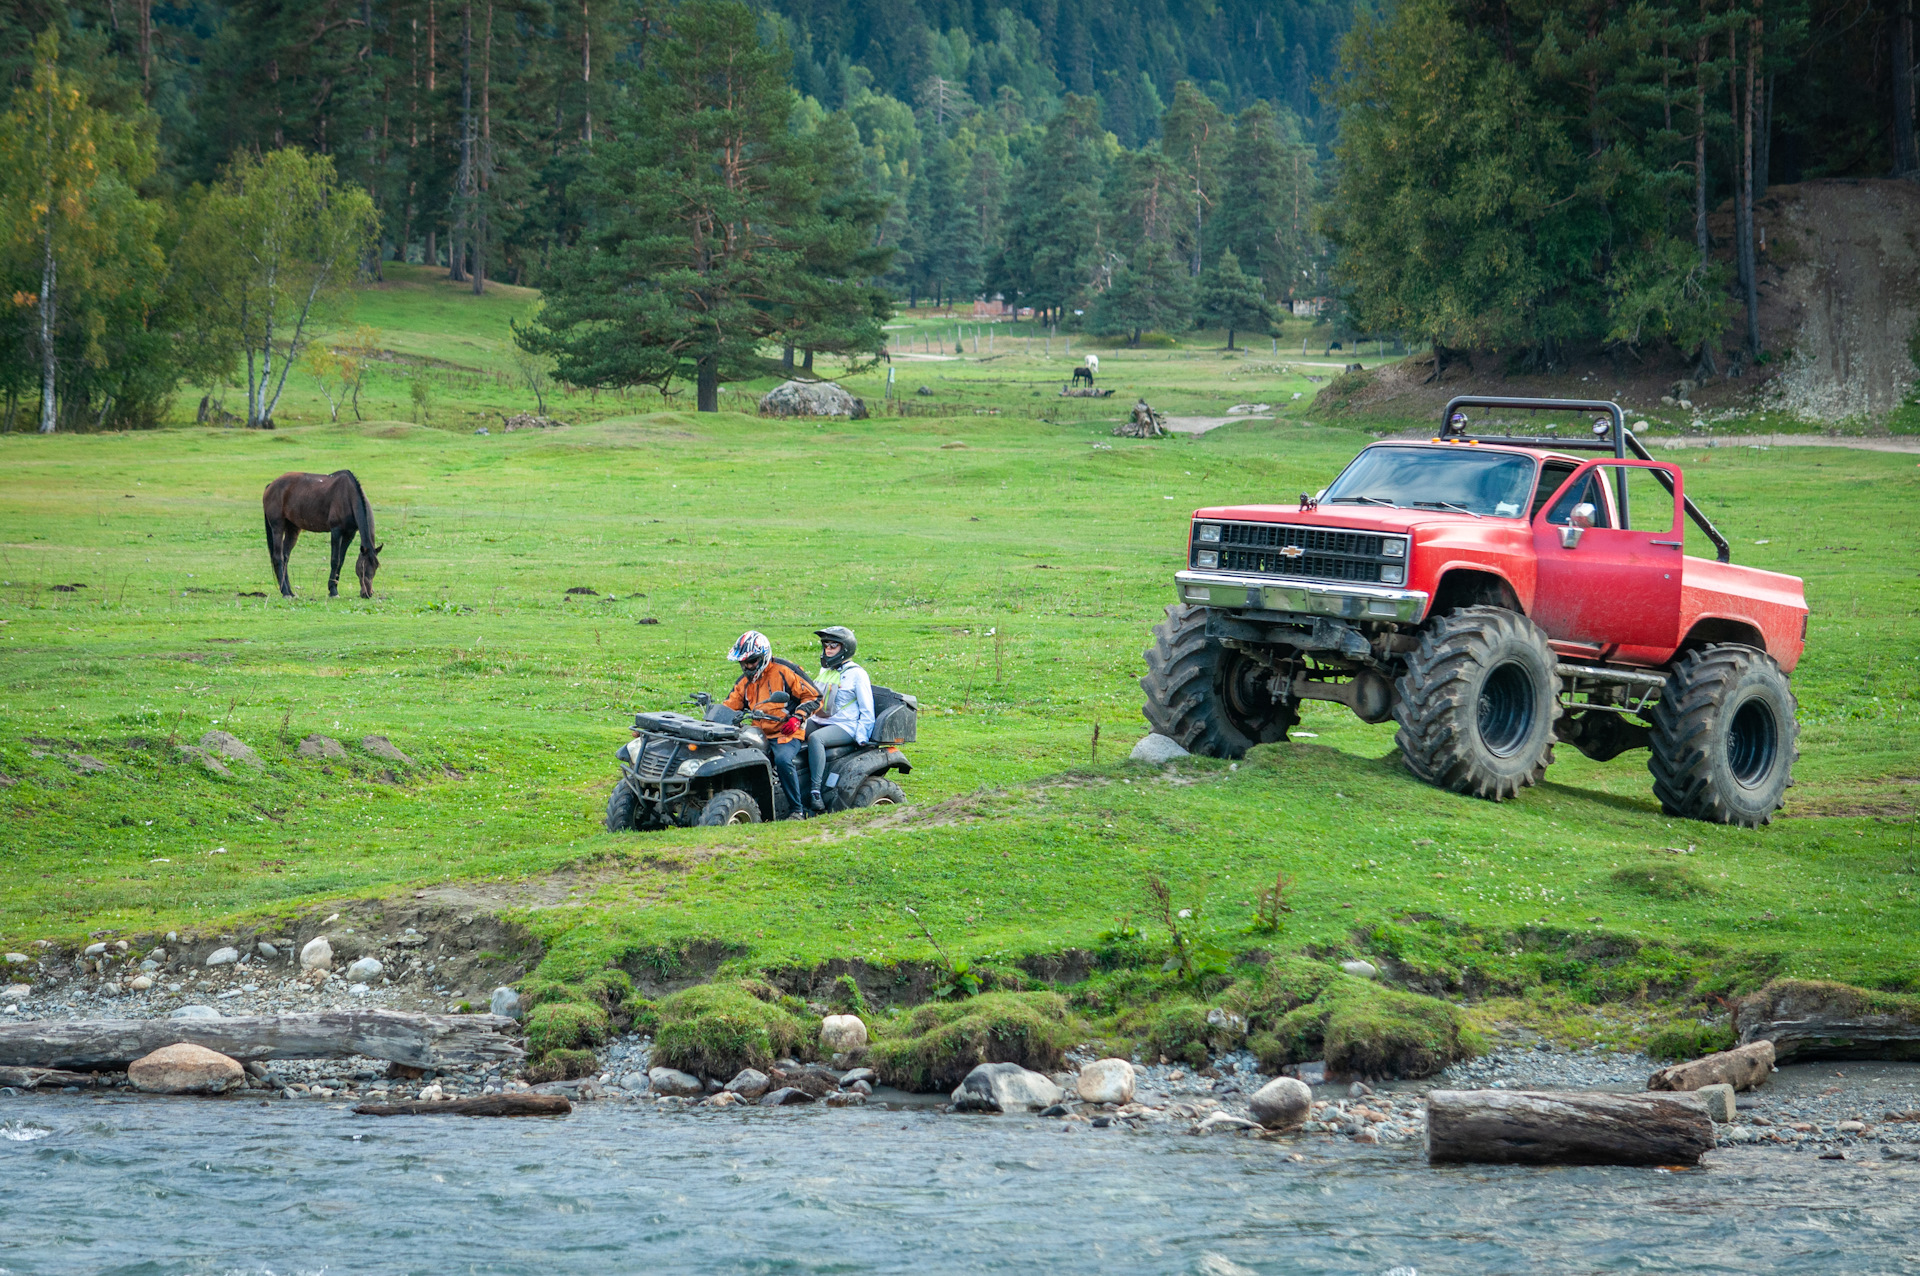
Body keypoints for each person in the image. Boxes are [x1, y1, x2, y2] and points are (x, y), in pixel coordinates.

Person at [722, 630, 819, 819]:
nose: (747, 667)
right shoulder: (744, 681)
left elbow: (814, 697)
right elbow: (730, 706)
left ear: (764, 656)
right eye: (743, 663)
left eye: (751, 662)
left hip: (787, 732)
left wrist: (797, 718)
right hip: (758, 732)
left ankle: (796, 810)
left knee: (783, 760)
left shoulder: (784, 671)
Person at [804, 625, 874, 812]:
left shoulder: (857, 674)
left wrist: (861, 737)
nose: (828, 649)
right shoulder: (825, 670)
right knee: (794, 729)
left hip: (845, 725)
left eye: (833, 645)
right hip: (821, 720)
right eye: (826, 645)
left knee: (816, 739)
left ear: (845, 648)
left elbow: (867, 709)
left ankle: (815, 790)